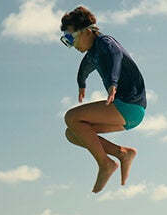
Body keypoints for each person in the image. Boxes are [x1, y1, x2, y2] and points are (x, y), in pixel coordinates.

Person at [59, 6, 147, 193]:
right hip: (127, 114)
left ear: (88, 32)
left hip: (129, 105)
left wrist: (112, 83)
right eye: (67, 40)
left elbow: (116, 56)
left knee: (71, 117)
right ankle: (122, 153)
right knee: (72, 133)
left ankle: (105, 163)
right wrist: (81, 84)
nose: (72, 45)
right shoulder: (92, 54)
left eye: (71, 38)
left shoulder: (105, 42)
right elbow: (84, 69)